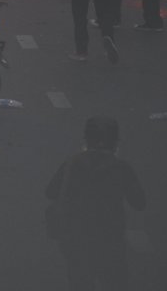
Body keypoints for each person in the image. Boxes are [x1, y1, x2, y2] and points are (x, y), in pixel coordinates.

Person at [45, 116, 146, 291]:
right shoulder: (121, 167)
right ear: (115, 143)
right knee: (114, 282)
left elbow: (50, 192)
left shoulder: (71, 163)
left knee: (80, 282)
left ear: (86, 140)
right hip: (110, 239)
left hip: (76, 238)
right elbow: (139, 203)